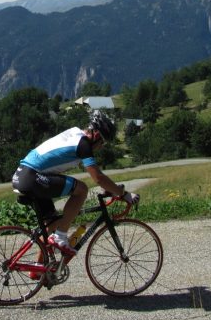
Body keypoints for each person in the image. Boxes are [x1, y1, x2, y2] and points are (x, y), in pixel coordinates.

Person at [11, 110, 139, 257]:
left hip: (23, 175)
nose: (101, 147)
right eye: (102, 142)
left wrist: (110, 189)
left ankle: (41, 270)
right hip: (31, 177)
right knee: (82, 189)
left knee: (52, 223)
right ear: (96, 136)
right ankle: (61, 237)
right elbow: (98, 178)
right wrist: (123, 193)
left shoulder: (75, 133)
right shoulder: (83, 144)